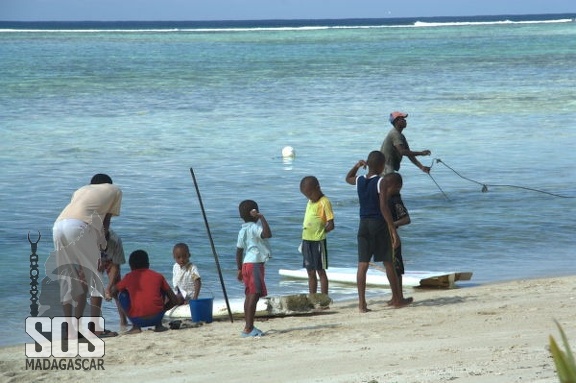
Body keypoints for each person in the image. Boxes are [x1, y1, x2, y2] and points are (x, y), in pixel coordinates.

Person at [51, 173, 122, 336]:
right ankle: (95, 328)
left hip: (58, 226)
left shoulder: (80, 190)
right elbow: (105, 222)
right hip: (79, 227)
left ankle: (70, 328)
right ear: (108, 184)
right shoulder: (114, 190)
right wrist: (101, 249)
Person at [345, 151, 413, 312]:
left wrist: (356, 166)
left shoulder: (360, 180)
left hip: (363, 224)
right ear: (382, 166)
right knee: (388, 262)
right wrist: (393, 230)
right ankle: (397, 300)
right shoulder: (381, 181)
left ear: (367, 164)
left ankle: (362, 305)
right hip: (378, 224)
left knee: (362, 265)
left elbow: (348, 178)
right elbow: (383, 206)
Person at [112, 249, 179, 334]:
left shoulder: (128, 277)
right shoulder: (158, 276)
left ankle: (136, 326)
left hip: (137, 319)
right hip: (157, 317)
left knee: (122, 294)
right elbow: (174, 300)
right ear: (148, 265)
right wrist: (162, 310)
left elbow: (113, 291)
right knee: (161, 290)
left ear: (131, 267)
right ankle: (159, 325)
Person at [236, 200, 272, 337]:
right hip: (254, 264)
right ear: (254, 213)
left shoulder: (243, 230)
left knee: (249, 294)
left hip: (246, 264)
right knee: (254, 294)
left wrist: (239, 269)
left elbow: (239, 251)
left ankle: (248, 326)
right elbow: (267, 234)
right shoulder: (253, 227)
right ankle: (248, 328)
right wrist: (262, 218)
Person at [299, 176, 334, 295]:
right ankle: (312, 297)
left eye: (310, 194)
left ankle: (324, 299)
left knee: (320, 271)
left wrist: (321, 232)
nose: (309, 197)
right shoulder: (310, 201)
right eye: (306, 195)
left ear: (317, 188)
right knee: (310, 272)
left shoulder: (324, 202)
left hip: (318, 241)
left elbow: (331, 224)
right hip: (306, 240)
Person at [91, 227, 128, 335]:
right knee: (94, 288)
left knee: (116, 288)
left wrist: (109, 287)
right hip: (92, 259)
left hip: (110, 260)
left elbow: (115, 266)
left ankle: (123, 320)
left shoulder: (115, 241)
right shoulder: (88, 240)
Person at [384, 172, 411, 301]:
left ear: (397, 187)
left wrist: (391, 224)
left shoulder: (396, 200)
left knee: (397, 267)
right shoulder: (383, 198)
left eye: (387, 186)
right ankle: (395, 296)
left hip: (392, 237)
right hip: (384, 235)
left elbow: (406, 219)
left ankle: (399, 296)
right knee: (389, 266)